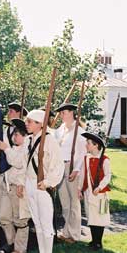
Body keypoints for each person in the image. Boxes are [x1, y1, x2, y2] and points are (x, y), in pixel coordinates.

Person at [20, 109, 64, 253]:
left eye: (30, 121)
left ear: (39, 124)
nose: (26, 124)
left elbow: (57, 165)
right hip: (30, 184)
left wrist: (48, 182)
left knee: (46, 223)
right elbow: (24, 164)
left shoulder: (49, 141)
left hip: (42, 186)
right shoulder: (28, 140)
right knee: (37, 222)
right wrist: (23, 184)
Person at [55, 103, 86, 244]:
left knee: (74, 202)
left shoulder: (78, 132)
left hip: (72, 167)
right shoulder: (60, 130)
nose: (61, 115)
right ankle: (66, 231)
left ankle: (74, 234)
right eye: (60, 113)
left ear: (71, 113)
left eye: (63, 113)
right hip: (60, 167)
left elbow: (82, 153)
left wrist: (76, 169)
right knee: (65, 202)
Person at [0, 119, 30, 253]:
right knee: (4, 216)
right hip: (7, 186)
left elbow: (17, 162)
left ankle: (20, 247)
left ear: (24, 136)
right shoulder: (14, 148)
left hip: (19, 187)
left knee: (20, 219)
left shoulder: (26, 149)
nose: (14, 137)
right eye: (14, 134)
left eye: (17, 134)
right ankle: (10, 242)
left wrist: (6, 149)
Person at [78, 132, 111, 250]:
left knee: (100, 217)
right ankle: (93, 240)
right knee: (91, 216)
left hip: (101, 195)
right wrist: (79, 189)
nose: (86, 145)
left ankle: (98, 242)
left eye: (88, 143)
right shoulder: (87, 158)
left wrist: (100, 187)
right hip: (89, 193)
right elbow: (83, 174)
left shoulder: (105, 160)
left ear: (95, 145)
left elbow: (108, 176)